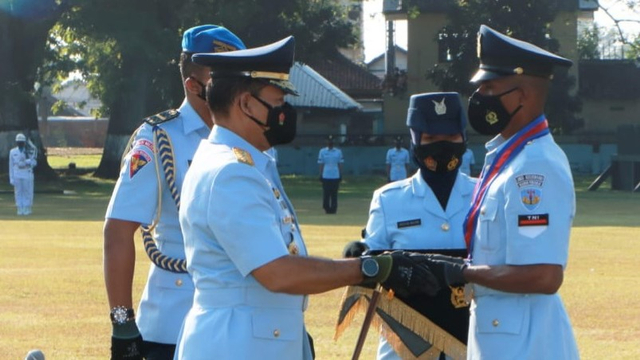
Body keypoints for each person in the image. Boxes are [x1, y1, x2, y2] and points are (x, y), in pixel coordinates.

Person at [173, 36, 441, 360]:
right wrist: (372, 267)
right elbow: (278, 272)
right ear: (245, 104)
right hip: (239, 346)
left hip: (251, 339)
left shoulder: (243, 161)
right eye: (277, 100)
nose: (285, 111)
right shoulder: (232, 172)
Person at [414, 25, 580, 359]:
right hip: (502, 334)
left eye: (490, 87)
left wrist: (457, 271)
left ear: (523, 96)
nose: (480, 97)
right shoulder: (511, 158)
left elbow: (544, 275)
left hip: (525, 342)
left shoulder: (534, 167)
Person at [103, 25, 246, 360]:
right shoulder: (157, 137)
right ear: (193, 85)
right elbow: (118, 230)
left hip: (245, 320)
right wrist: (122, 324)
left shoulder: (254, 140)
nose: (239, 87)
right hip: (176, 319)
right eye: (223, 78)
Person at [352, 93, 476, 360]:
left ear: (464, 139)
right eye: (431, 139)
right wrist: (360, 259)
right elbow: (371, 272)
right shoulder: (389, 200)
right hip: (407, 346)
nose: (442, 146)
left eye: (451, 138)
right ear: (415, 140)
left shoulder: (485, 195)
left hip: (476, 343)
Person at [9, 133, 37, 216]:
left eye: (21, 142)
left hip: (26, 173)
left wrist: (28, 162)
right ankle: (19, 208)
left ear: (24, 142)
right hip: (17, 173)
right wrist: (11, 178)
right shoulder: (13, 151)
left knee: (27, 191)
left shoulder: (30, 151)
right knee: (18, 192)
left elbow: (34, 162)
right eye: (18, 142)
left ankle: (27, 207)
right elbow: (11, 165)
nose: (20, 143)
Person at [317, 135, 343, 214]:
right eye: (329, 141)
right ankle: (326, 208)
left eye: (331, 141)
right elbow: (321, 164)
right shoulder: (322, 151)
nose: (330, 143)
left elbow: (340, 164)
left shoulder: (338, 151)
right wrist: (320, 174)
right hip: (326, 175)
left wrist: (340, 174)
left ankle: (333, 209)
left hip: (335, 175)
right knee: (326, 193)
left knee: (334, 193)